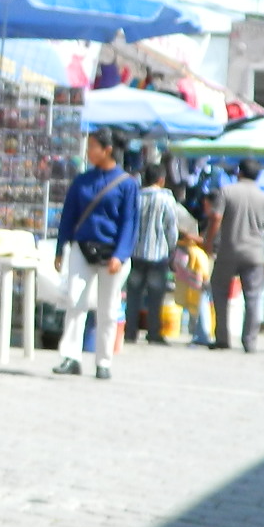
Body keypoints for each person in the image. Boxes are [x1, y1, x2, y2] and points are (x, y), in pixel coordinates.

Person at [51, 127, 138, 381]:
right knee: (75, 299)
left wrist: (120, 255)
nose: (88, 152)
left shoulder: (127, 184)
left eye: (92, 147)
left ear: (107, 150)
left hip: (112, 253)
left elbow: (130, 222)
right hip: (82, 247)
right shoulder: (82, 181)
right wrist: (61, 248)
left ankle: (103, 361)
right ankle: (71, 357)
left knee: (108, 309)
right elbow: (68, 216)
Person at [204, 157, 264, 351]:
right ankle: (250, 341)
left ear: (239, 172)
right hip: (255, 254)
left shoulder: (227, 192)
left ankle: (222, 337)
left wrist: (209, 242)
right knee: (252, 298)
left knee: (219, 292)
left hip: (229, 250)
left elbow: (216, 219)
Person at [124, 162, 182, 344]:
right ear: (161, 179)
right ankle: (153, 333)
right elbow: (171, 228)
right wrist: (172, 249)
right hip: (158, 255)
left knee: (133, 295)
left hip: (135, 253)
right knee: (155, 296)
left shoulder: (136, 197)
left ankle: (130, 331)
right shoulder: (166, 199)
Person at [174, 234, 214, 345]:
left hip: (204, 256)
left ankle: (202, 334)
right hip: (201, 258)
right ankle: (200, 333)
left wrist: (205, 241)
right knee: (201, 299)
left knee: (202, 298)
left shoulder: (214, 218)